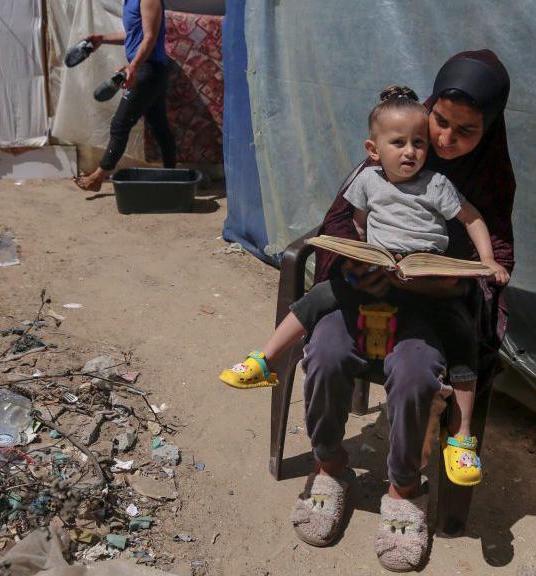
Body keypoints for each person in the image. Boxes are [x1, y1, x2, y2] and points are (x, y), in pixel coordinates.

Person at [289, 51, 515, 572]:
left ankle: (405, 490)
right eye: (441, 120)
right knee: (323, 354)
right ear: (428, 107)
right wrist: (354, 269)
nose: (443, 140)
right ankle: (330, 468)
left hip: (433, 312)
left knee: (414, 376)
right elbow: (341, 223)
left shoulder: (490, 178)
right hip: (362, 295)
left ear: (490, 129)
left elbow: (496, 256)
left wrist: (452, 280)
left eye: (467, 130)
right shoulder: (397, 140)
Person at [219, 84, 509, 486]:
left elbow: (473, 218)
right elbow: (351, 224)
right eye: (399, 143)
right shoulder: (368, 181)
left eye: (419, 143)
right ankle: (265, 359)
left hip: (425, 286)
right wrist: (356, 256)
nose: (411, 151)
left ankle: (460, 440)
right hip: (375, 277)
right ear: (374, 150)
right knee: (320, 297)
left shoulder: (437, 185)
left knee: (462, 336)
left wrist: (488, 259)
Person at [74, 0, 176, 192]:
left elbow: (150, 37)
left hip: (149, 71)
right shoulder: (130, 1)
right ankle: (173, 177)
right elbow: (133, 35)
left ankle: (99, 176)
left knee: (120, 124)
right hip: (149, 70)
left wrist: (133, 67)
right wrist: (102, 38)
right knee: (160, 126)